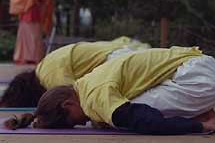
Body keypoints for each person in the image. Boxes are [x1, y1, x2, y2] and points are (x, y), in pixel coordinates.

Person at [4, 46, 215, 135]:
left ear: (68, 105)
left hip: (200, 80)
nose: (82, 124)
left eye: (75, 123)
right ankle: (203, 111)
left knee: (122, 117)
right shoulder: (87, 81)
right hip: (199, 67)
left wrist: (200, 127)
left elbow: (147, 122)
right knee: (117, 111)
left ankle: (203, 116)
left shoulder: (92, 96)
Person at [0, 36, 150, 107]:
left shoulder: (50, 78)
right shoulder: (44, 67)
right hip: (120, 55)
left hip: (121, 59)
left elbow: (78, 98)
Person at [9, 0, 53, 64]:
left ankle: (28, 57)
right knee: (32, 37)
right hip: (30, 13)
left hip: (33, 13)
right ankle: (28, 57)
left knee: (33, 37)